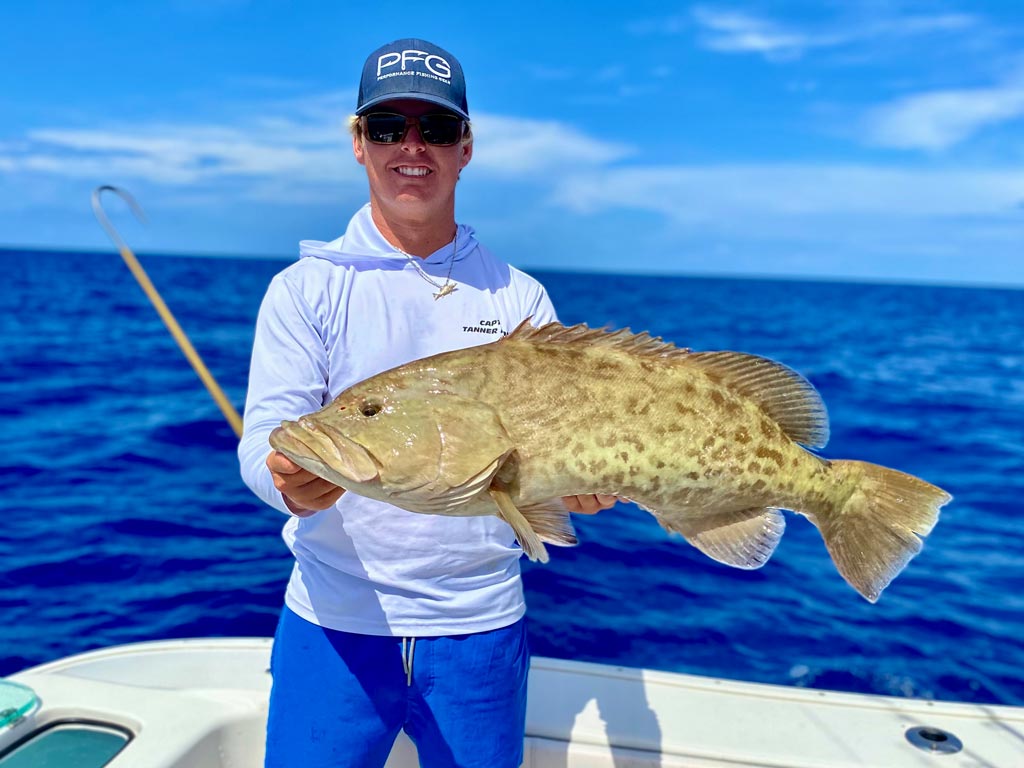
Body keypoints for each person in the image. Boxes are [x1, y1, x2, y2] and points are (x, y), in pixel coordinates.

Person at [238, 38, 616, 768]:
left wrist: (585, 491)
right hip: (333, 625)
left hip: (481, 630)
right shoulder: (306, 288)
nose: (412, 147)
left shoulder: (518, 297)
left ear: (466, 148)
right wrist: (283, 480)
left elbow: (550, 468)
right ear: (358, 143)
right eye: (387, 127)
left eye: (435, 129)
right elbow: (267, 439)